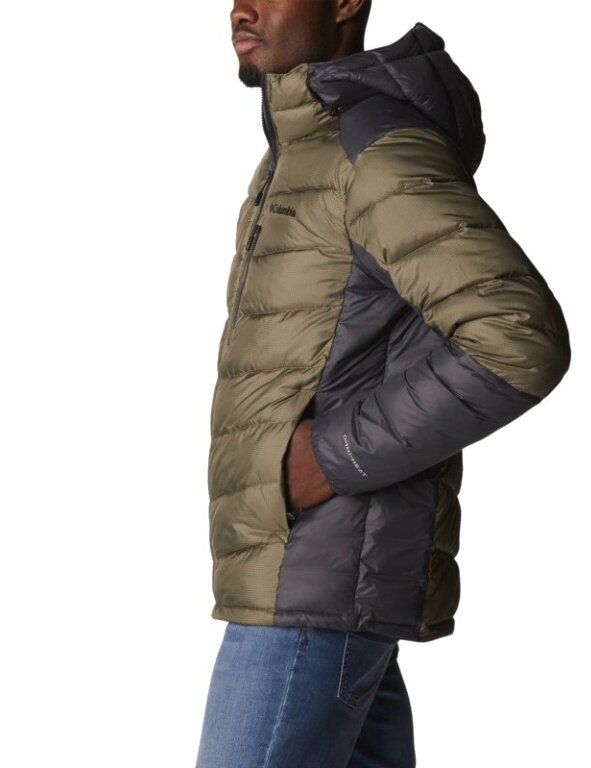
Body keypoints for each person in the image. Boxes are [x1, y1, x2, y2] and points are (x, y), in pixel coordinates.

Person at [195, 1, 571, 765]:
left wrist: (332, 456)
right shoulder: (304, 151)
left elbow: (516, 337)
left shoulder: (372, 153)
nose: (241, 8)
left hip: (310, 592)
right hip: (309, 582)